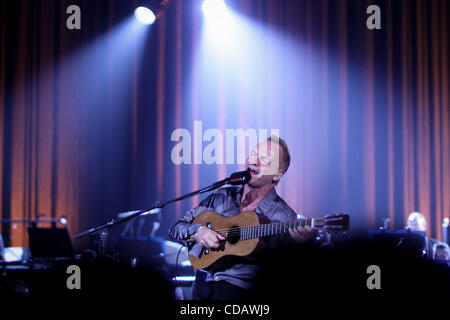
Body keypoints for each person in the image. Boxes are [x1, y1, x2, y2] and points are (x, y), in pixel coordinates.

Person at [169, 136, 315, 300]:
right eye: (254, 154)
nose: (254, 161)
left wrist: (299, 245)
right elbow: (175, 228)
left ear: (277, 175)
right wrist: (198, 232)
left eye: (265, 159)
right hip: (201, 287)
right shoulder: (221, 196)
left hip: (240, 295)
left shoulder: (285, 216)